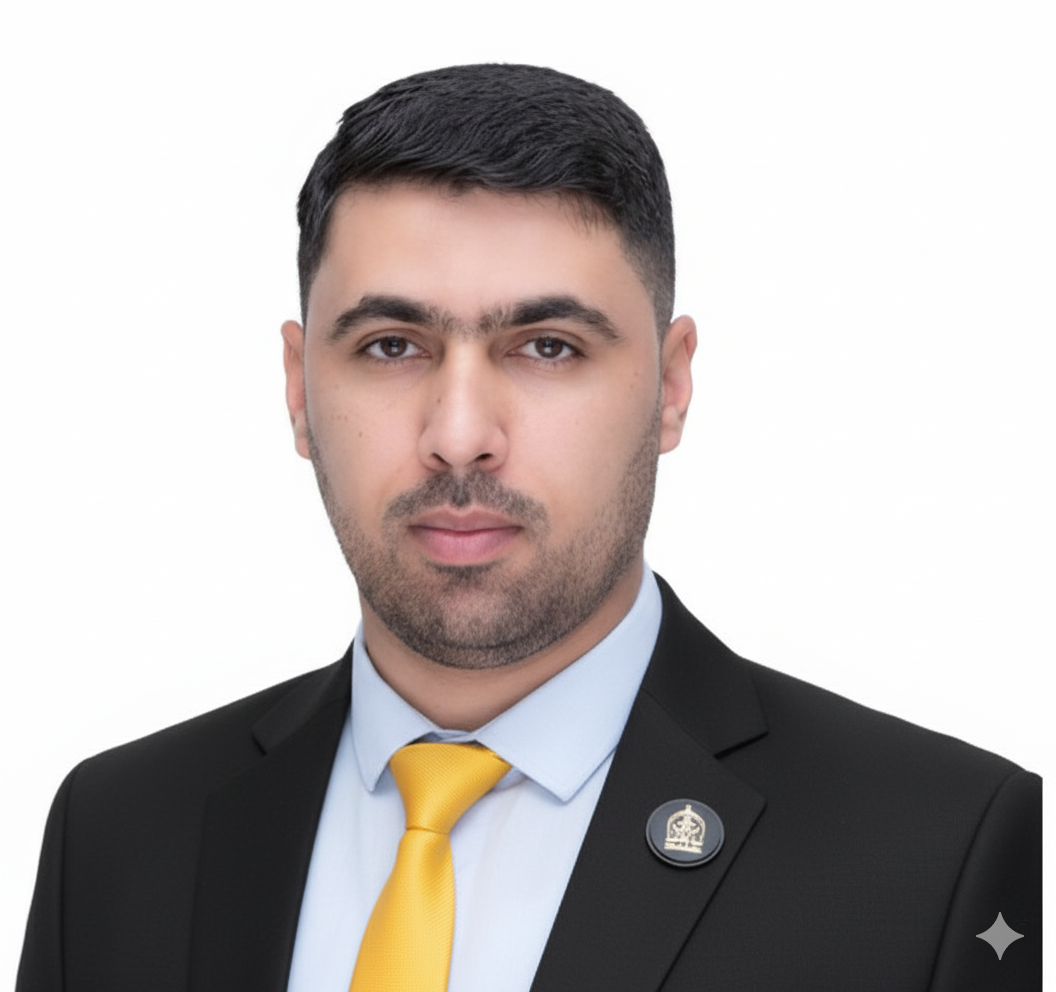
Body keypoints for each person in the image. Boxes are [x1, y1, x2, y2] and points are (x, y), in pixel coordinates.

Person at [17, 63, 1040, 992]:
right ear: (298, 388)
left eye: (548, 346)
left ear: (671, 385)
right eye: (390, 345)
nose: (460, 437)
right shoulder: (116, 833)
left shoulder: (940, 851)